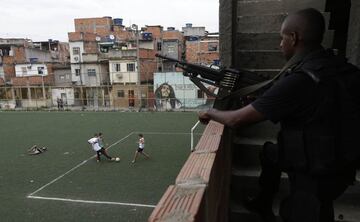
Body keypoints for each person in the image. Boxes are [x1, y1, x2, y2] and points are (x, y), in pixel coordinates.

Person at [198, 8, 358, 222]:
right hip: (341, 161)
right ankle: (263, 202)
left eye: (282, 38)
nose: (280, 44)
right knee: (271, 153)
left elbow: (236, 120)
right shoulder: (338, 66)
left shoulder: (301, 79)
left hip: (315, 172)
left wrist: (212, 111)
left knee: (302, 212)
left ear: (293, 38)